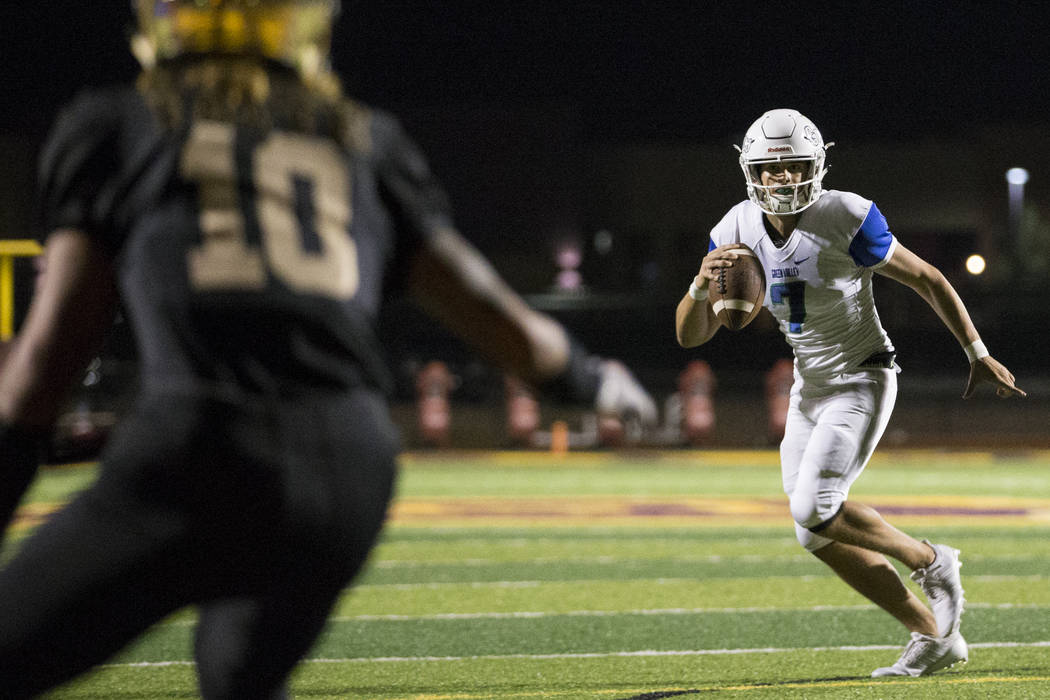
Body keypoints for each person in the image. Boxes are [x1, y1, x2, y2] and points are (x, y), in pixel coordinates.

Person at [0, 1, 657, 697]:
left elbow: (45, 366)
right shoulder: (362, 137)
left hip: (203, 445)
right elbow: (492, 313)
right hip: (349, 467)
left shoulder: (119, 124)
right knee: (237, 674)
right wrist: (591, 379)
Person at [675, 108, 1025, 678]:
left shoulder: (845, 214)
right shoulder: (734, 228)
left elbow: (927, 277)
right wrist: (698, 285)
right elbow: (690, 336)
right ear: (751, 172)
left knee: (814, 506)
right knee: (812, 532)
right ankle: (933, 635)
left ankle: (931, 559)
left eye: (794, 165)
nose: (783, 177)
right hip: (809, 386)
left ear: (816, 166)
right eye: (771, 168)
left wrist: (977, 352)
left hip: (863, 375)